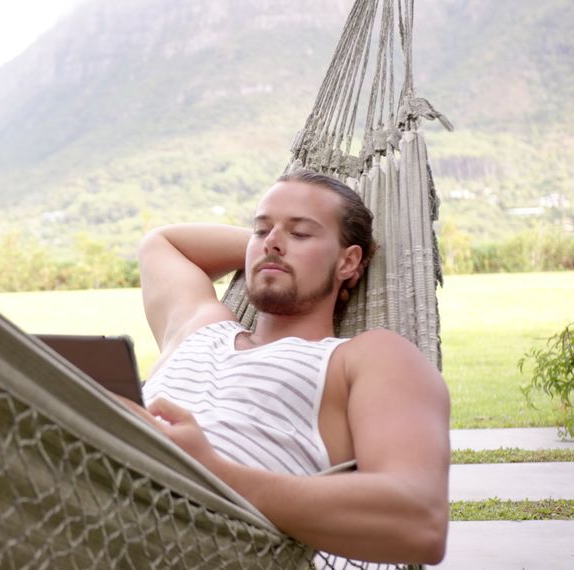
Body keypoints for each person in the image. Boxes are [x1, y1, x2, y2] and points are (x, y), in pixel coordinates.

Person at [127, 169, 449, 565]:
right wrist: (277, 246)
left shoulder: (367, 358)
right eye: (260, 231)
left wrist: (209, 472)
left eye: (300, 234)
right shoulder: (198, 325)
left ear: (350, 261)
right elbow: (161, 243)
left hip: (187, 543)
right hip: (79, 487)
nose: (273, 244)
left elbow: (419, 521)